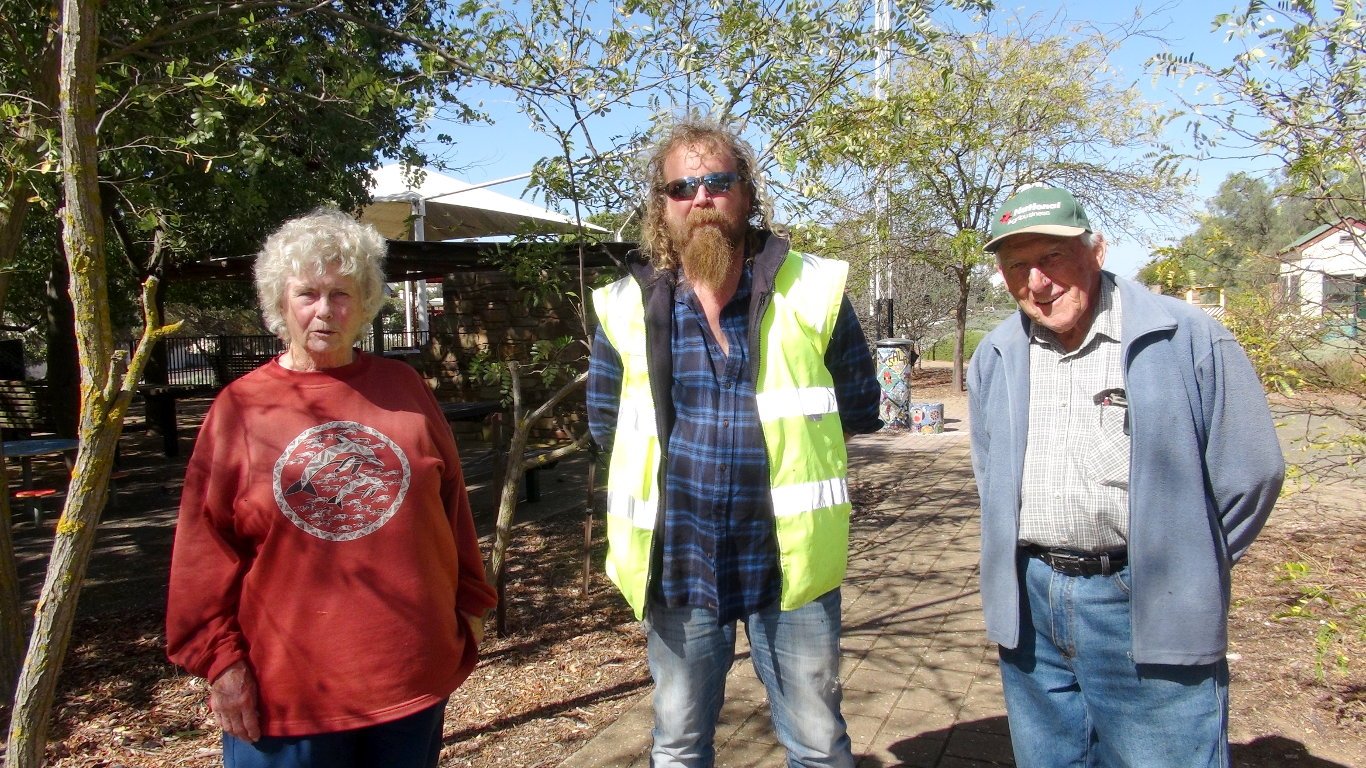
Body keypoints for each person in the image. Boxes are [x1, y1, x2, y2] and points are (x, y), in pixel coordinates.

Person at [587, 116, 882, 768]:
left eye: (718, 181)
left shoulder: (815, 290)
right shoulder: (623, 308)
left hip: (788, 566)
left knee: (818, 744)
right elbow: (606, 426)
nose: (701, 198)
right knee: (679, 745)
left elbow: (860, 406)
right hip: (680, 566)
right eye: (681, 187)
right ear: (660, 209)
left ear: (747, 194)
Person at [166, 208, 497, 767]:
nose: (325, 311)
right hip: (288, 695)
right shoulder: (243, 407)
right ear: (280, 302)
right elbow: (203, 548)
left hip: (409, 676)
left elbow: (451, 505)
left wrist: (471, 605)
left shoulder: (402, 386)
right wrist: (221, 662)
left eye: (342, 293)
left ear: (365, 301)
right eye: (308, 294)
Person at [968, 184, 1285, 767]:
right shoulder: (995, 353)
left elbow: (1252, 474)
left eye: (1052, 257)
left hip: (1142, 598)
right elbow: (989, 472)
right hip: (1032, 603)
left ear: (1097, 250)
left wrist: (1188, 561)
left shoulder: (1187, 338)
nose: (1037, 282)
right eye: (1018, 266)